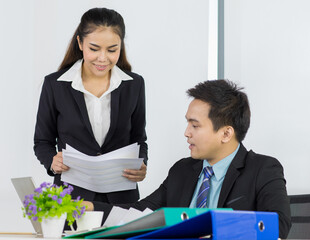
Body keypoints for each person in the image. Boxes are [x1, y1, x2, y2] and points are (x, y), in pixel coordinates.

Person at [82, 80, 291, 238]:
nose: (186, 132)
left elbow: (278, 225)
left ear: (226, 134)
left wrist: (212, 226)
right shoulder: (182, 170)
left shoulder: (263, 169)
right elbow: (141, 212)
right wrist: (89, 207)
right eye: (187, 123)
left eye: (195, 125)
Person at [34, 8, 148, 205]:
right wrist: (52, 161)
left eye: (112, 50)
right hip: (72, 199)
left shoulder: (134, 84)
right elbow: (42, 141)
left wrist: (142, 164)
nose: (103, 58)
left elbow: (139, 139)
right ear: (80, 43)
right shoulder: (55, 85)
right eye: (94, 49)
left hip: (121, 199)